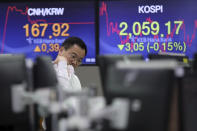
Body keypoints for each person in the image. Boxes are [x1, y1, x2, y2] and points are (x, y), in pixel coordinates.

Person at [41, 36, 87, 130]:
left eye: (79, 60)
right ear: (61, 51)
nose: (75, 62)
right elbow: (61, 103)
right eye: (73, 56)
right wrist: (62, 64)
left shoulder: (75, 79)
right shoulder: (46, 72)